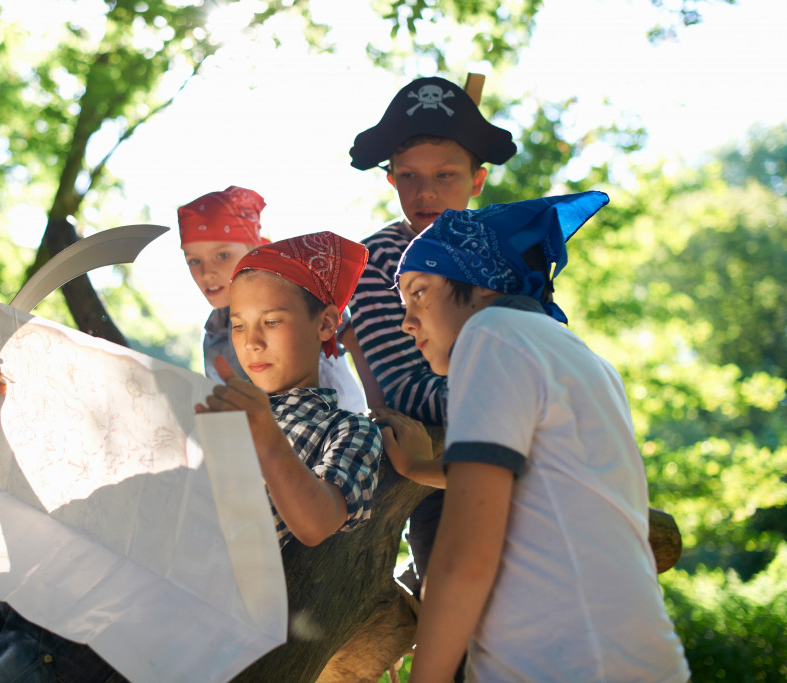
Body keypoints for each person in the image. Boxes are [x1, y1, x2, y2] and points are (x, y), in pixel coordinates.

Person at [0, 232, 382, 681]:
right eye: (239, 322)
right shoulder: (200, 399)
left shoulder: (347, 431)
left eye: (271, 321)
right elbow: (90, 442)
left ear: (326, 320)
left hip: (114, 617)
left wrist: (266, 439)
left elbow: (319, 520)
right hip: (31, 564)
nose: (250, 340)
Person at [381, 191, 691, 682]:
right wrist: (419, 469)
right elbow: (542, 484)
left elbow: (465, 555)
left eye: (419, 291)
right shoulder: (577, 356)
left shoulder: (490, 335)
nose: (406, 320)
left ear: (480, 283)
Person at [345, 75, 517, 584]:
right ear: (391, 180)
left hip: (532, 466)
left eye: (445, 175)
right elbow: (405, 389)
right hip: (439, 475)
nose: (426, 193)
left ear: (477, 180)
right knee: (462, 630)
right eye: (409, 176)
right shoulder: (375, 259)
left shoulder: (508, 251)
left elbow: (541, 346)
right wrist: (512, 396)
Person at [178, 186, 367, 413]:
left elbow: (355, 340)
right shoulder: (213, 332)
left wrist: (378, 408)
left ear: (254, 249)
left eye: (222, 255)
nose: (207, 272)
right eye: (194, 261)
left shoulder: (296, 292)